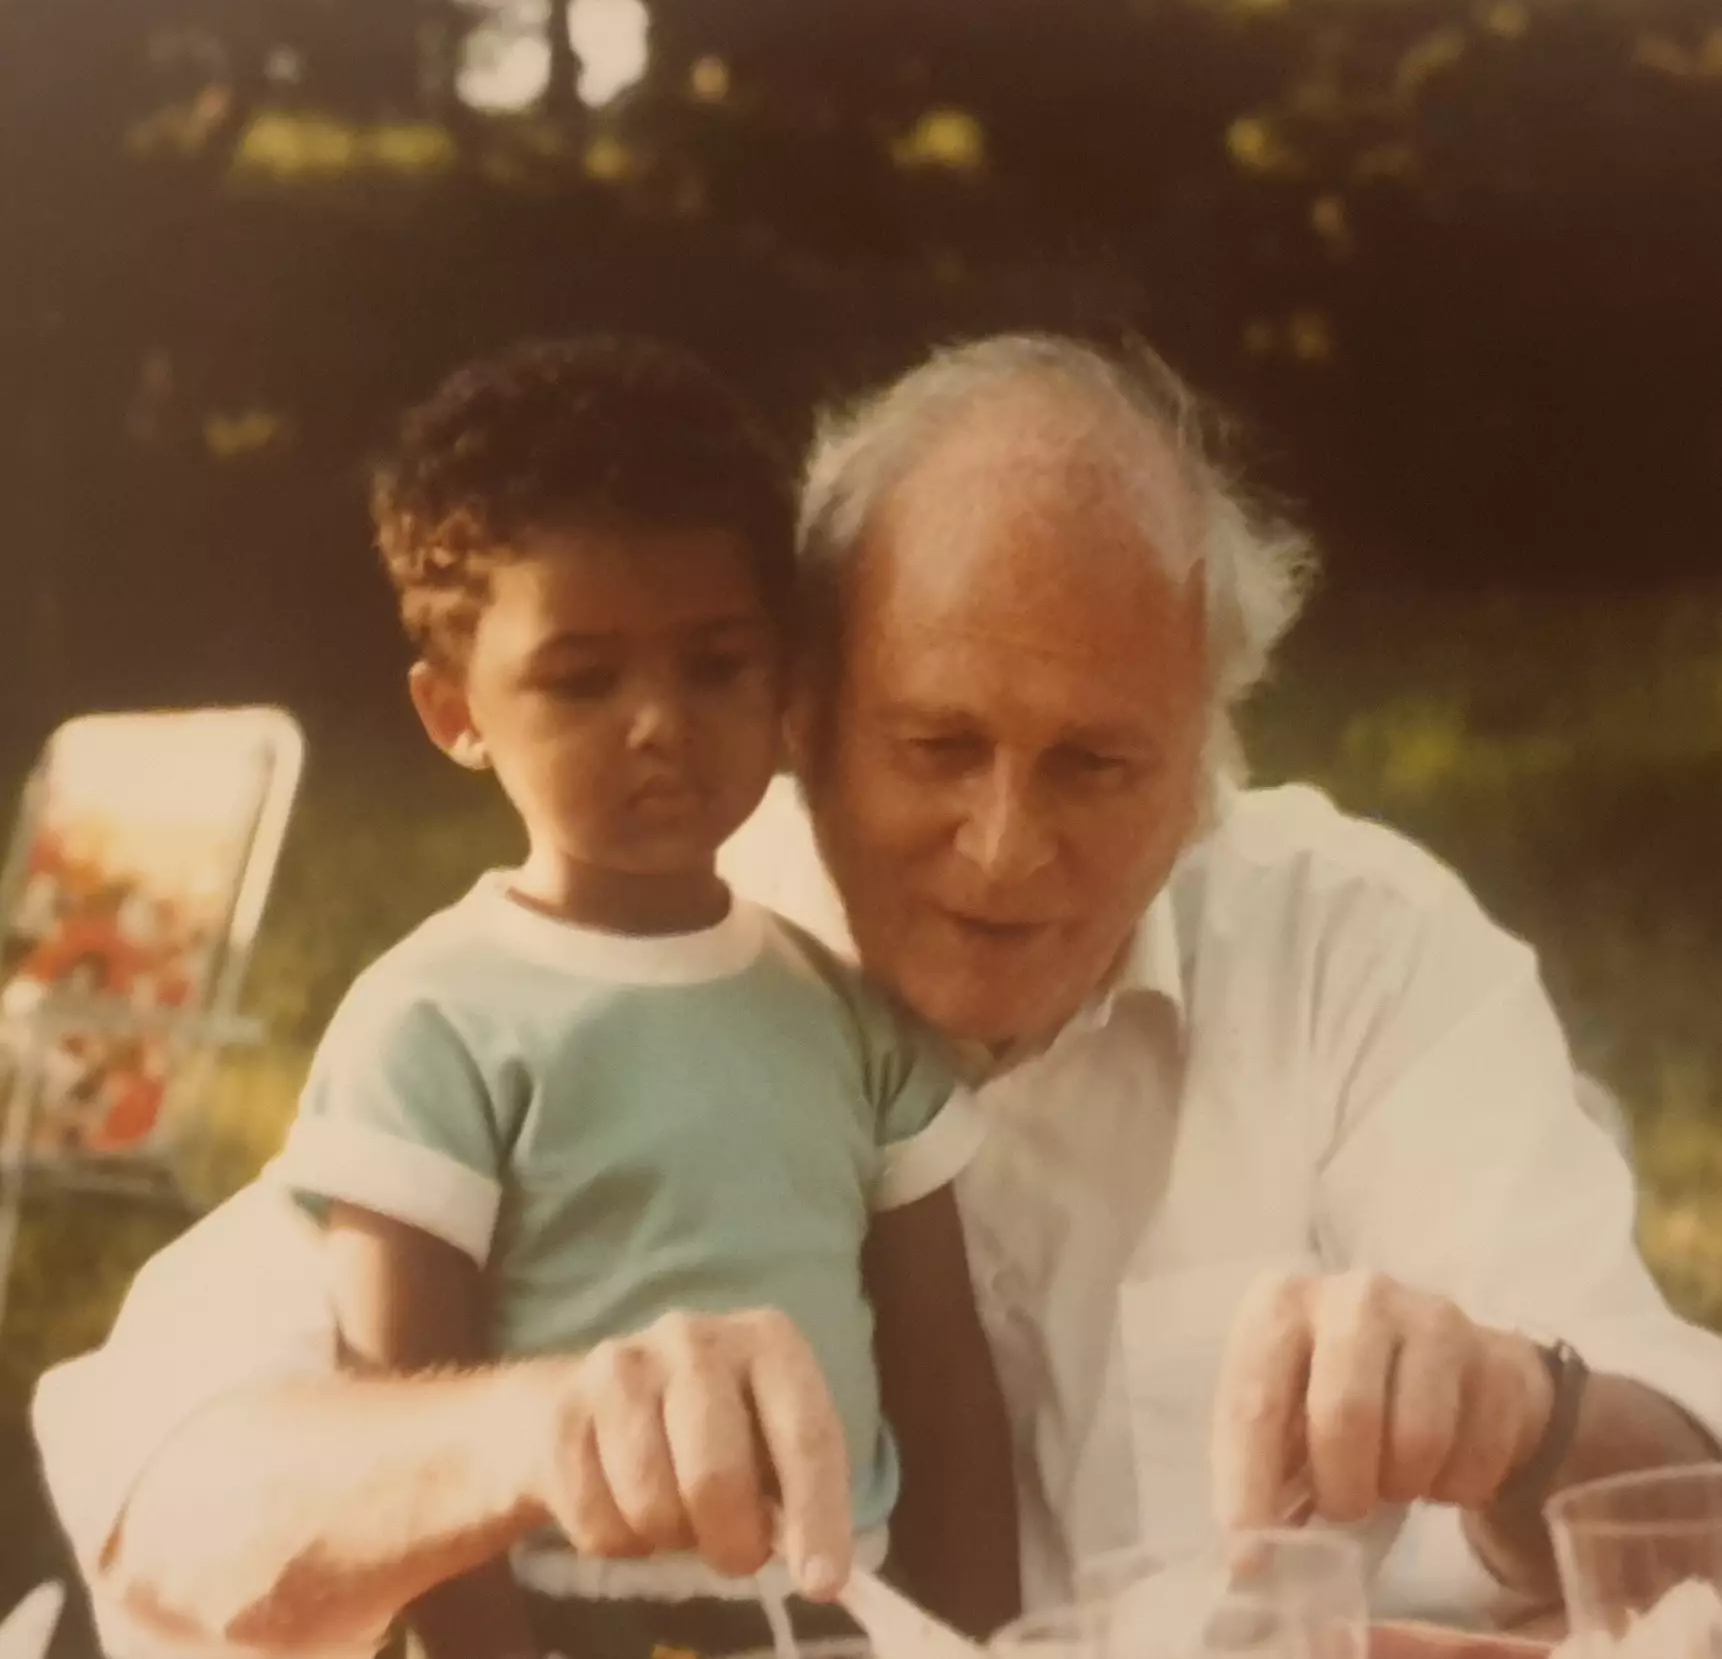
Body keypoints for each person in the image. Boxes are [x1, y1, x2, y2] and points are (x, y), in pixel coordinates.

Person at [33, 332, 1722, 1659]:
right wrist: (527, 1431)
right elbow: (164, 1516)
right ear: (804, 699)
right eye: (935, 747)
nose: (1003, 846)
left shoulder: (1353, 948)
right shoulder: (619, 954)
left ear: (1210, 741)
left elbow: (1689, 1514)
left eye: (1095, 764)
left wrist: (1520, 1410)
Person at [100, 336, 1018, 1659]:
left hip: (840, 1616)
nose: (659, 722)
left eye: (715, 664)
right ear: (454, 711)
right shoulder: (434, 1024)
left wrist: (979, 1643)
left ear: (787, 681)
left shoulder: (852, 1017)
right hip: (565, 1621)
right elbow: (405, 1409)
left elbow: (947, 1394)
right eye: (583, 679)